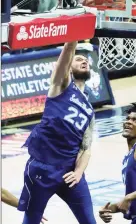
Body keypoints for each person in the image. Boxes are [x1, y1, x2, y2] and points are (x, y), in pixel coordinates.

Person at [18, 41, 96, 224]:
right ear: (69, 67)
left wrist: (78, 172)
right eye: (78, 59)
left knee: (89, 221)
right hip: (43, 168)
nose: (84, 61)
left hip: (69, 171)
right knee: (31, 220)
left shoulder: (89, 110)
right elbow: (69, 48)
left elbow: (86, 148)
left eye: (86, 59)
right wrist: (75, 32)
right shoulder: (60, 85)